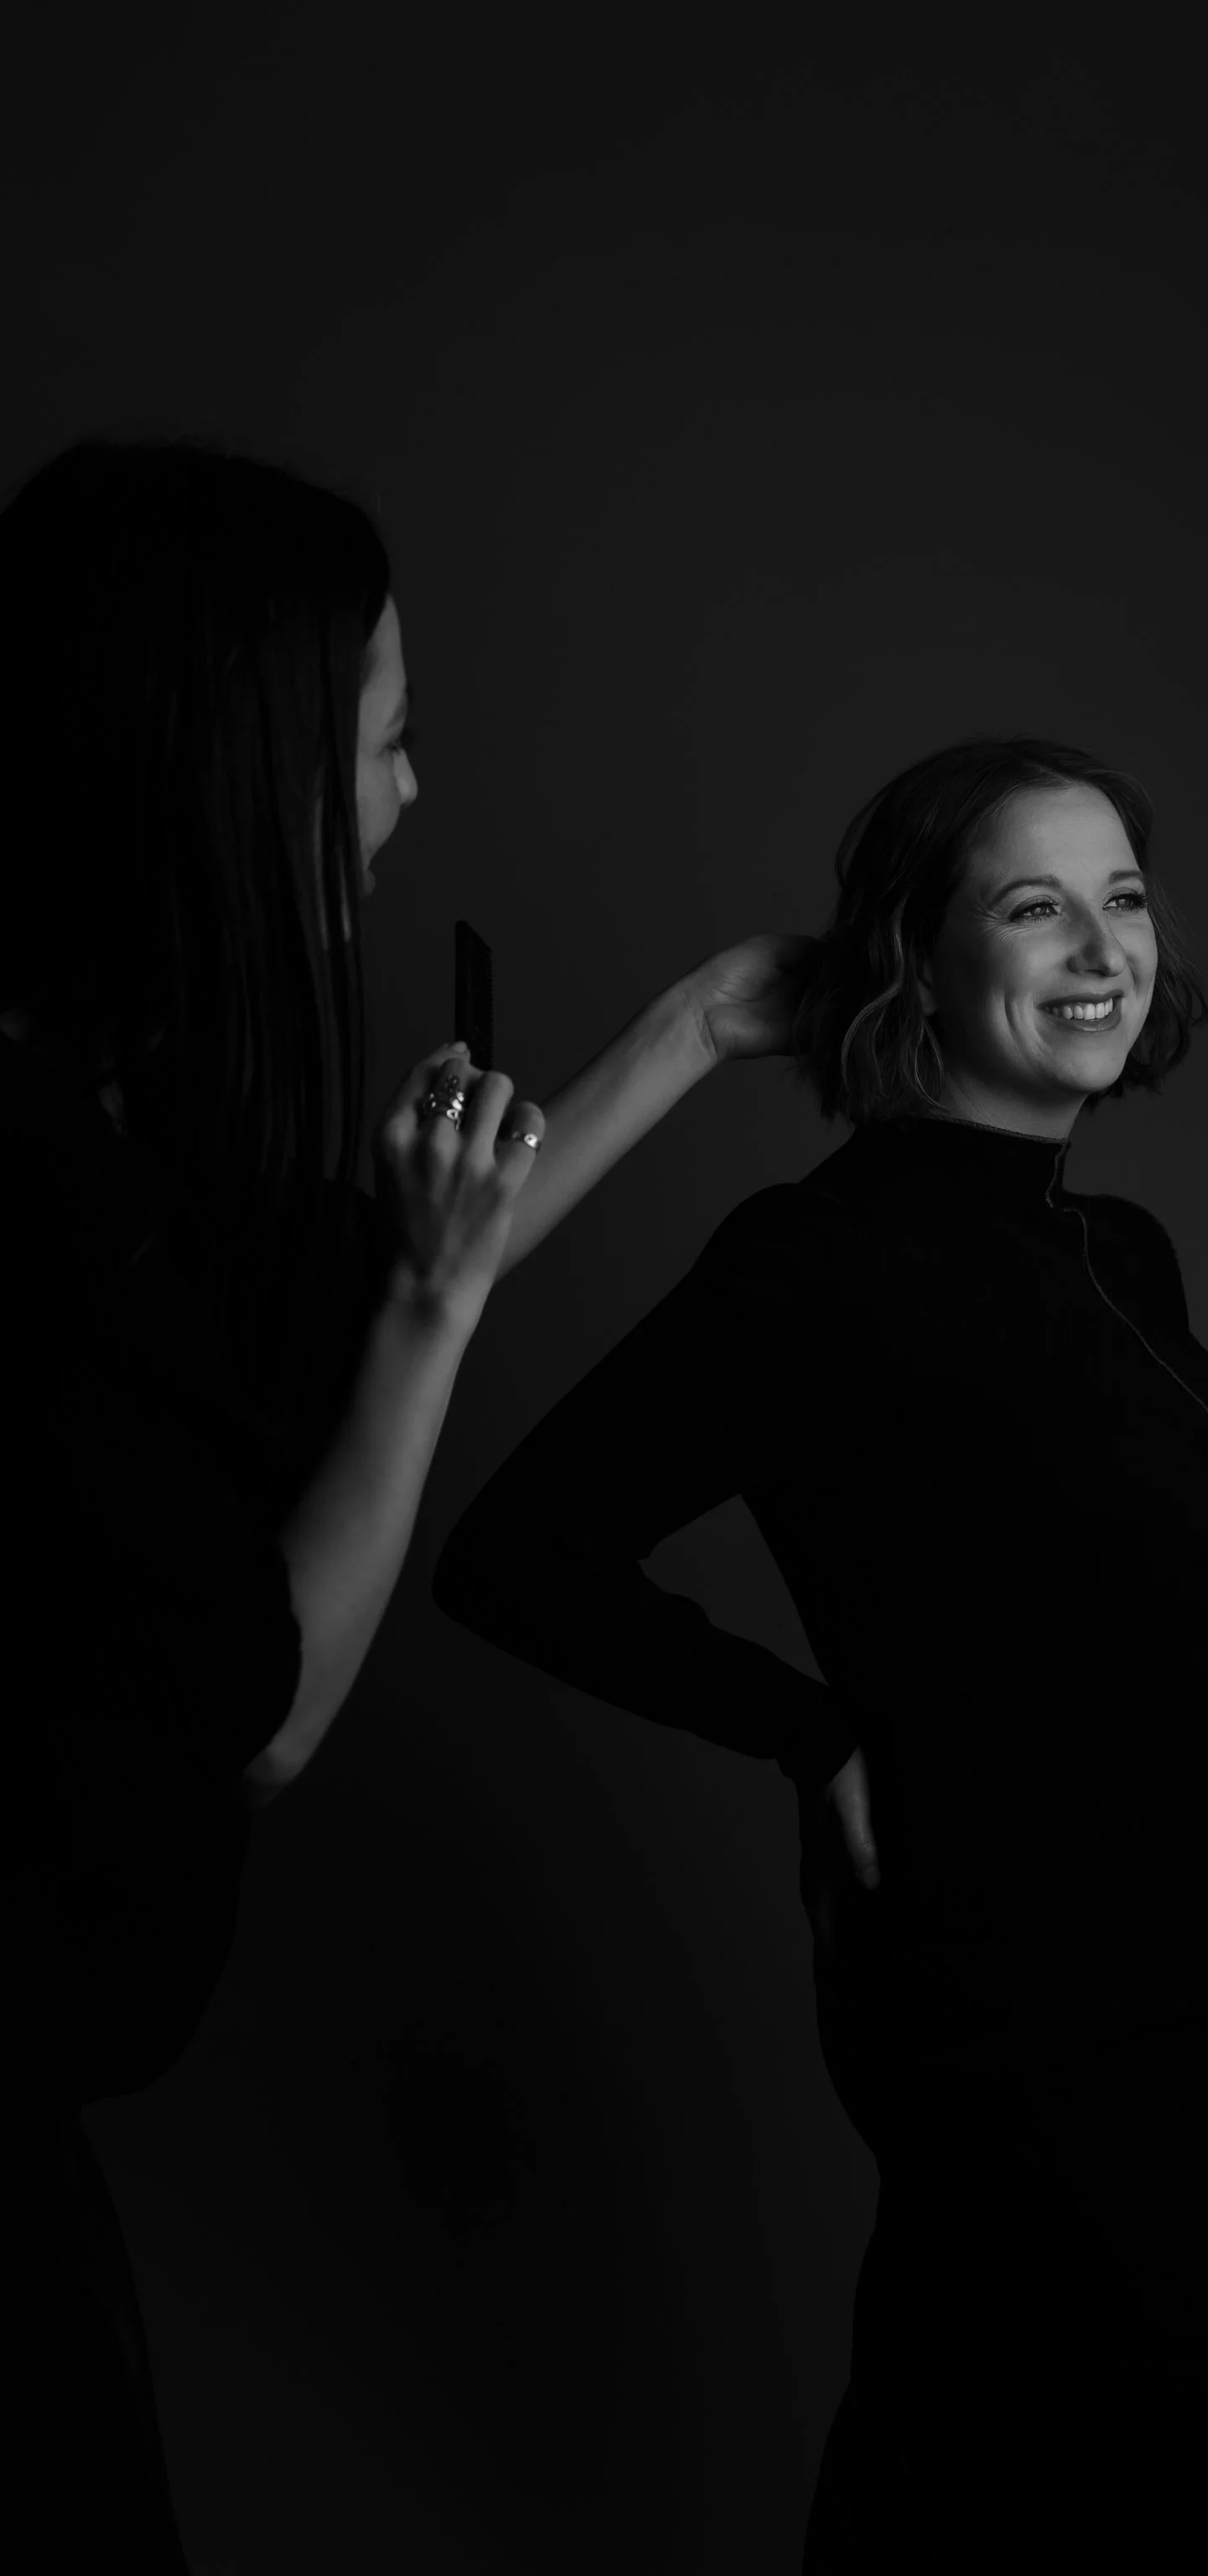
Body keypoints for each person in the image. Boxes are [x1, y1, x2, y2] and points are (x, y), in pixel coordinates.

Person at [430, 736, 1208, 2572]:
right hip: (1021, 2005)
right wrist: (808, 1732)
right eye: (1030, 902)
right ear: (916, 955)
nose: (1097, 945)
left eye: (1123, 896)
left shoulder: (1120, 1253)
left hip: (1151, 1995)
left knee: (964, 2477)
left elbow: (1148, 1604)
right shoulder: (822, 1263)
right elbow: (520, 1553)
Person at [0, 433, 843, 2570]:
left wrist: (687, 1032)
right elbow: (253, 1716)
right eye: (378, 739)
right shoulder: (36, 1208)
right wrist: (438, 1314)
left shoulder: (96, 1119)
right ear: (236, 770)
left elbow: (386, 1268)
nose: (405, 794)